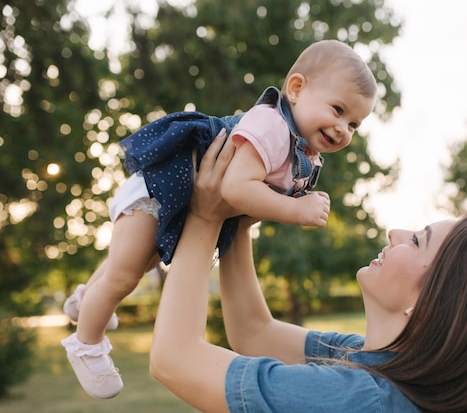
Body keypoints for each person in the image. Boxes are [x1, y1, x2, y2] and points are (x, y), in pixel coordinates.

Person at [61, 39, 377, 399]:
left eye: (354, 124)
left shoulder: (302, 151)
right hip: (157, 190)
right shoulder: (272, 125)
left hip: (178, 199)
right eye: (337, 110)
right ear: (296, 89)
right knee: (124, 274)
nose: (343, 129)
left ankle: (88, 302)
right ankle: (86, 343)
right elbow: (235, 188)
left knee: (139, 261)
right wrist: (295, 209)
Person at [149, 134, 467, 413]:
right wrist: (240, 210)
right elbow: (254, 333)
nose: (396, 233)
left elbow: (174, 359)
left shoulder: (360, 400)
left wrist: (204, 217)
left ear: (434, 300)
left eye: (418, 241)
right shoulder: (380, 363)